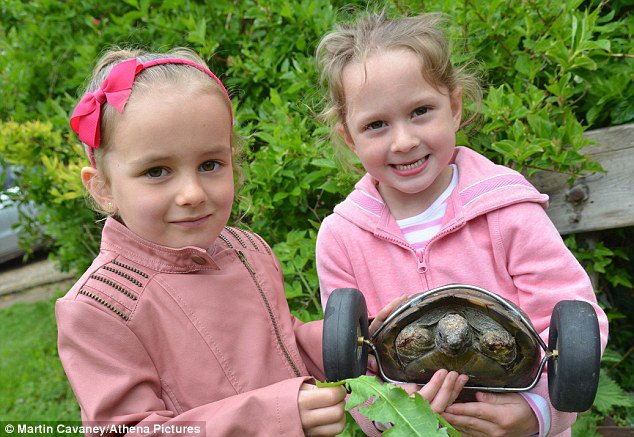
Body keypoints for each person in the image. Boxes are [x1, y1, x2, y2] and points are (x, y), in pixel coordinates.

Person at [314, 11, 608, 437]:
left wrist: (537, 412)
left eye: (420, 111)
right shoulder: (341, 238)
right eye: (376, 125)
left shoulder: (507, 212)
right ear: (348, 137)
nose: (404, 140)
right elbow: (353, 364)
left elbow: (578, 325)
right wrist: (394, 419)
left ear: (454, 107)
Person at [56, 47, 349, 436]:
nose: (192, 193)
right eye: (157, 171)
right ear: (103, 187)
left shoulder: (247, 251)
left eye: (210, 165)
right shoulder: (99, 309)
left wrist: (355, 341)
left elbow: (280, 345)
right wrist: (271, 417)